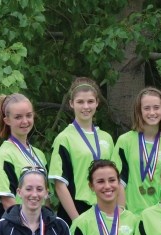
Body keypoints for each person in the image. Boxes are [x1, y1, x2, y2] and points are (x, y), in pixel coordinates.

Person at [50, 77, 118, 224]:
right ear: (71, 104)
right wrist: (77, 220)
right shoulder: (64, 138)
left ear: (97, 103)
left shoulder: (106, 138)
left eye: (90, 101)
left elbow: (114, 180)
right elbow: (60, 184)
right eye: (80, 102)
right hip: (76, 211)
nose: (86, 106)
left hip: (104, 208)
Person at [116, 87, 161, 214]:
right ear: (139, 111)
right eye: (146, 108)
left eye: (156, 107)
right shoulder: (125, 141)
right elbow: (118, 181)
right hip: (130, 213)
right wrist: (121, 214)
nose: (152, 112)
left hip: (158, 215)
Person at [0, 93, 48, 221]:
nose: (25, 121)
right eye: (18, 117)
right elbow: (7, 200)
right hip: (14, 228)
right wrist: (27, 228)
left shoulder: (40, 155)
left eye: (28, 115)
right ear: (7, 120)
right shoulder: (4, 155)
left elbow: (45, 197)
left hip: (38, 226)